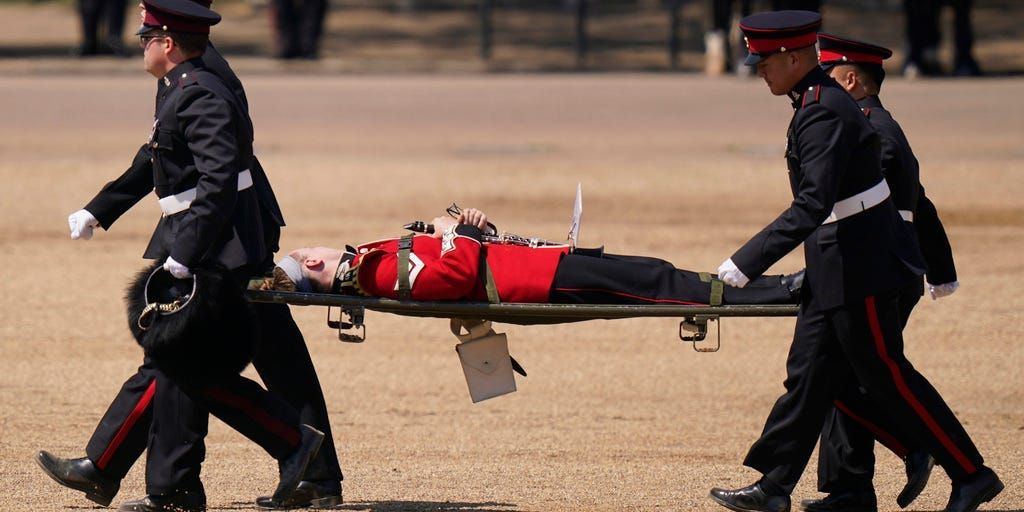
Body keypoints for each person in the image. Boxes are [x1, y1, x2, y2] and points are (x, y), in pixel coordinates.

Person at [38, 1, 329, 510]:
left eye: (146, 37)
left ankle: (251, 458)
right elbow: (158, 154)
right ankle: (128, 472)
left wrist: (185, 256)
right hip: (202, 234)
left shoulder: (202, 89)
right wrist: (99, 209)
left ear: (167, 42)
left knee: (181, 360)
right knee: (174, 360)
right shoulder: (181, 82)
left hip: (218, 242)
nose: (142, 45)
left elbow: (219, 183)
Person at [707, 10, 1001, 512]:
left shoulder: (822, 109)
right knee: (810, 374)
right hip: (836, 261)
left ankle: (970, 473)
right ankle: (775, 486)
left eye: (764, 61)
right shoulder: (813, 101)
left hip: (859, 263)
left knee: (884, 374)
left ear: (795, 57)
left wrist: (746, 261)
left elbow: (814, 202)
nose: (758, 70)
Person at [798, 33, 964, 512]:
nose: (820, 87)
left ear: (851, 81)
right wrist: (939, 270)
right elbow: (922, 204)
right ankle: (851, 489)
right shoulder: (871, 126)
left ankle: (923, 450)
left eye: (827, 77)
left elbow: (904, 207)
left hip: (876, 270)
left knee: (862, 377)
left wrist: (931, 270)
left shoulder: (874, 131)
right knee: (846, 377)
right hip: (874, 266)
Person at [260, 207, 803, 307]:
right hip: (536, 280)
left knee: (653, 273)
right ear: (311, 265)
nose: (321, 248)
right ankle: (779, 290)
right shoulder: (371, 271)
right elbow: (452, 275)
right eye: (311, 251)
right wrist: (460, 233)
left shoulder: (370, 265)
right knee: (655, 281)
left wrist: (474, 229)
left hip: (534, 266)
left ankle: (772, 288)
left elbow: (457, 257)